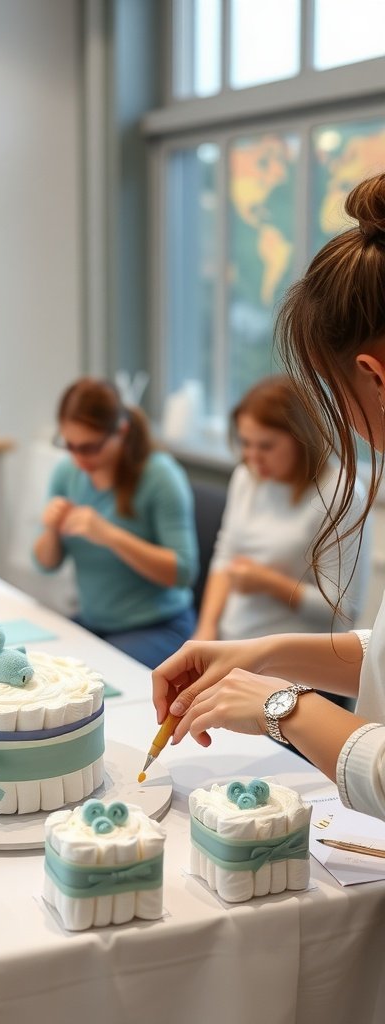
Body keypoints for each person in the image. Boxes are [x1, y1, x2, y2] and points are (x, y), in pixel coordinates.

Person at [153, 172, 385, 822]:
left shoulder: (352, 487)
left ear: (371, 376)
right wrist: (265, 653)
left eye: (332, 395)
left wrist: (282, 705)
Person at [33, 377, 199, 669]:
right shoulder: (66, 472)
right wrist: (50, 529)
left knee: (94, 683)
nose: (79, 458)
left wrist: (109, 535)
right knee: (43, 671)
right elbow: (45, 564)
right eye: (70, 445)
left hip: (157, 625)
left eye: (90, 447)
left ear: (120, 432)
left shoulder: (160, 476)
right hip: (95, 623)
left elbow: (183, 572)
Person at [193, 375, 369, 644]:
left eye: (266, 446)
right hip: (233, 640)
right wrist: (206, 630)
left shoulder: (341, 494)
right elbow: (225, 555)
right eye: (245, 443)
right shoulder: (247, 475)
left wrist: (267, 582)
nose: (253, 458)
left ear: (302, 439)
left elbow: (342, 612)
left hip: (294, 657)